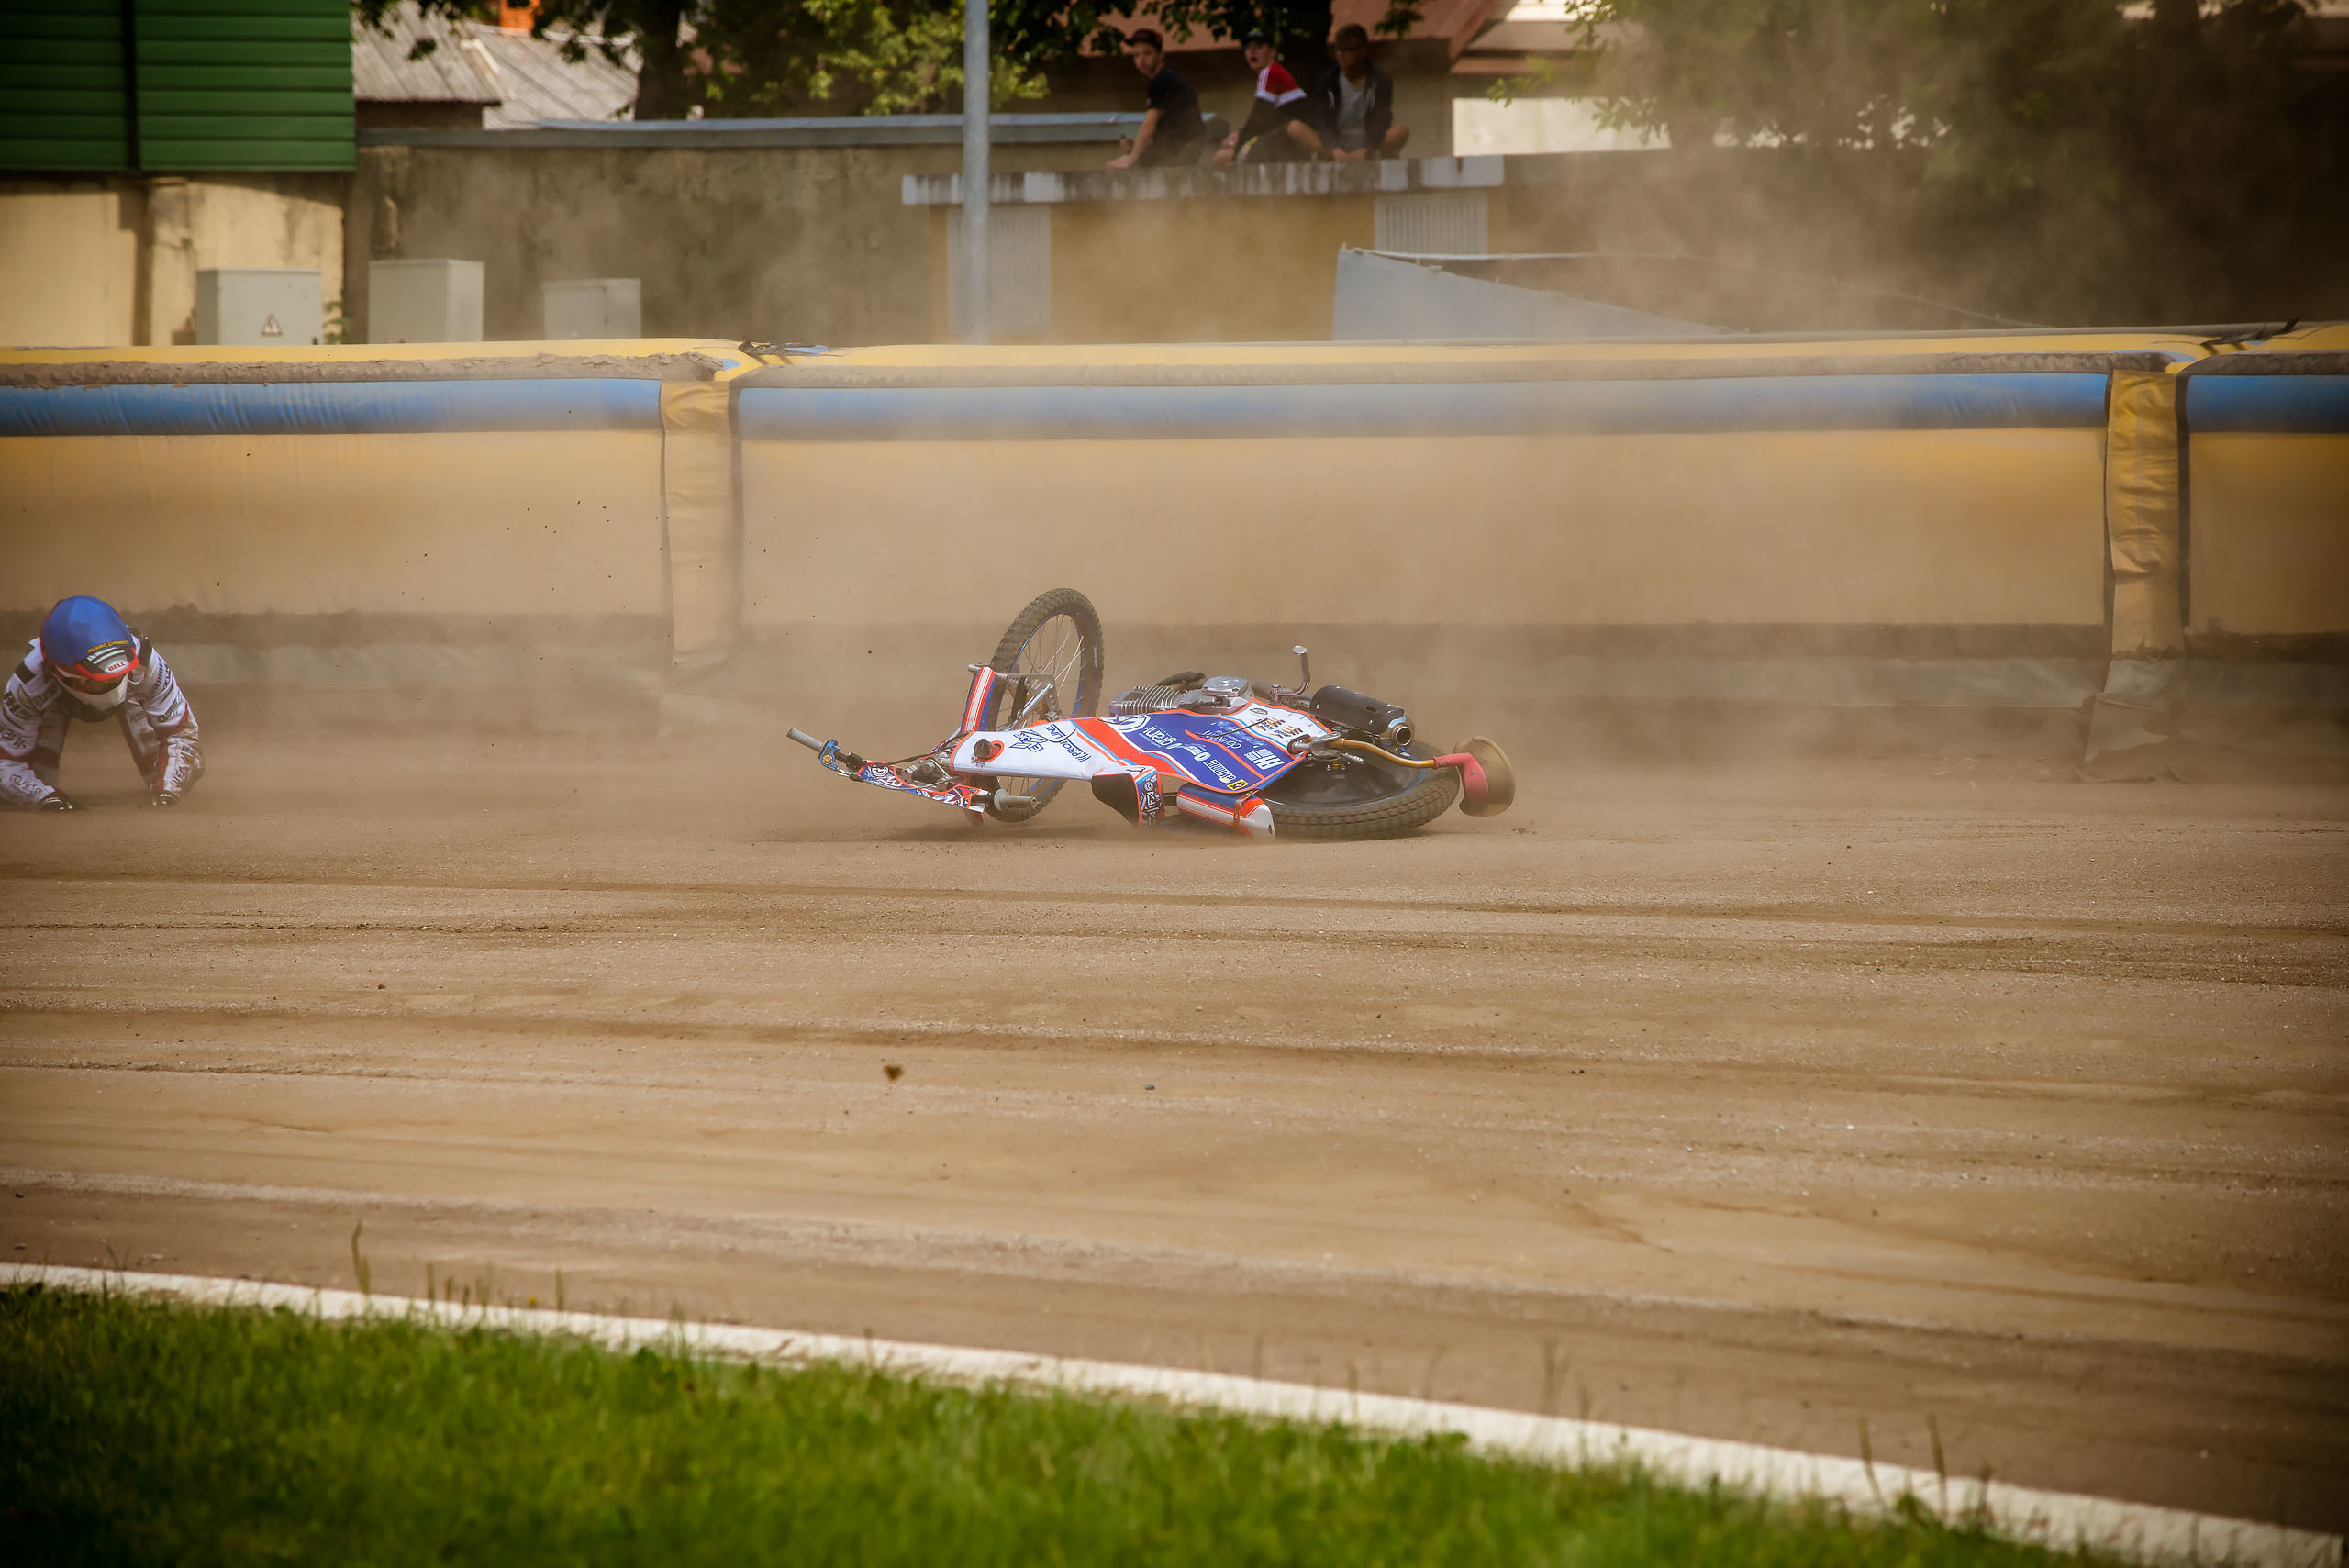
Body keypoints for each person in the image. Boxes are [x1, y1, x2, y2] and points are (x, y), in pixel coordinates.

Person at [2, 596, 203, 811]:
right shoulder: (30, 682)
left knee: (172, 777)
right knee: (39, 781)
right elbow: (5, 762)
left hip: (132, 696)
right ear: (65, 675)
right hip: (53, 703)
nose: (111, 682)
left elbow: (180, 730)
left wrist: (167, 792)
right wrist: (43, 796)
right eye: (100, 678)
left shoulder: (143, 659)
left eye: (118, 674)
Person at [1215, 28, 1319, 165]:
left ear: (1272, 51)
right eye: (1248, 48)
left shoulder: (1269, 72)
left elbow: (1259, 116)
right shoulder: (1275, 72)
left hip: (1291, 142)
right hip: (1287, 142)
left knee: (1221, 158)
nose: (1252, 52)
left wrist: (1239, 142)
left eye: (1258, 47)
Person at [1106, 30, 1206, 170]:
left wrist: (1131, 159)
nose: (1141, 60)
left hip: (1181, 151)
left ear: (1161, 55)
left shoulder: (1161, 80)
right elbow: (1169, 128)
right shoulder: (1167, 78)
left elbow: (1149, 127)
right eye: (1136, 55)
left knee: (1118, 168)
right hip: (1181, 148)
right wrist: (1135, 147)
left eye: (1147, 53)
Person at [1314, 23, 1409, 161]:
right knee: (1296, 128)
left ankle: (1372, 154)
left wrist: (1366, 148)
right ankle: (1332, 154)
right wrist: (1335, 149)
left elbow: (1381, 120)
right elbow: (1324, 121)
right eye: (1338, 49)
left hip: (1368, 141)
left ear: (1363, 50)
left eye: (1348, 50)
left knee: (1401, 131)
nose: (1341, 55)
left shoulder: (1380, 79)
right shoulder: (1328, 80)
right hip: (1336, 142)